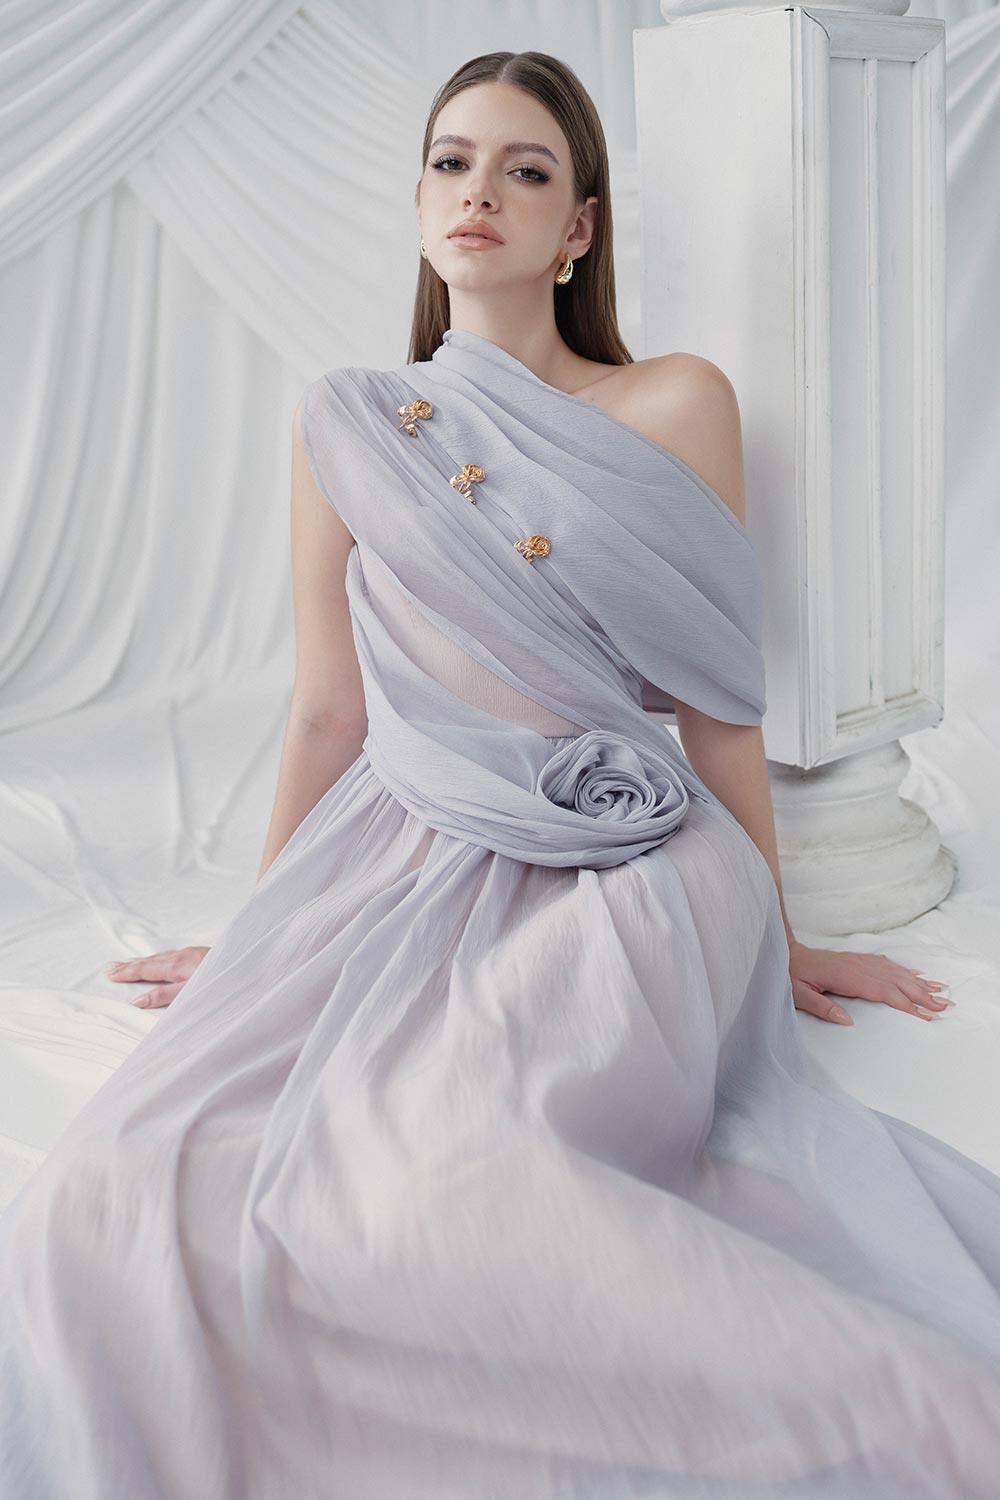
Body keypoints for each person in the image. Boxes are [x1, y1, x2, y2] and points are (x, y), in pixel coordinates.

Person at [2, 48, 998, 1500]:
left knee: (464, 1162)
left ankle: (904, 1409)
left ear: (576, 227)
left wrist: (776, 940)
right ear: (420, 202)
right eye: (452, 162)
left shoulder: (675, 400)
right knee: (114, 1182)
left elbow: (721, 708)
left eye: (525, 170)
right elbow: (328, 711)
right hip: (406, 841)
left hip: (629, 858)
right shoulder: (350, 419)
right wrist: (264, 930)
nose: (480, 191)